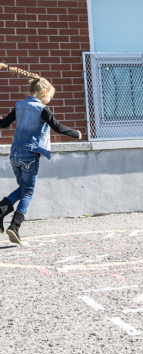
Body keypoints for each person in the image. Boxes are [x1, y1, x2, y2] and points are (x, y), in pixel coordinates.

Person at [0, 63, 82, 243]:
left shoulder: (20, 105)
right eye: (50, 96)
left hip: (15, 154)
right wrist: (75, 133)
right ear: (44, 92)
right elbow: (57, 127)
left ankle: (1, 209)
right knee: (28, 191)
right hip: (30, 154)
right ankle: (14, 226)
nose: (50, 100)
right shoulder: (42, 109)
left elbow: (4, 124)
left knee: (23, 188)